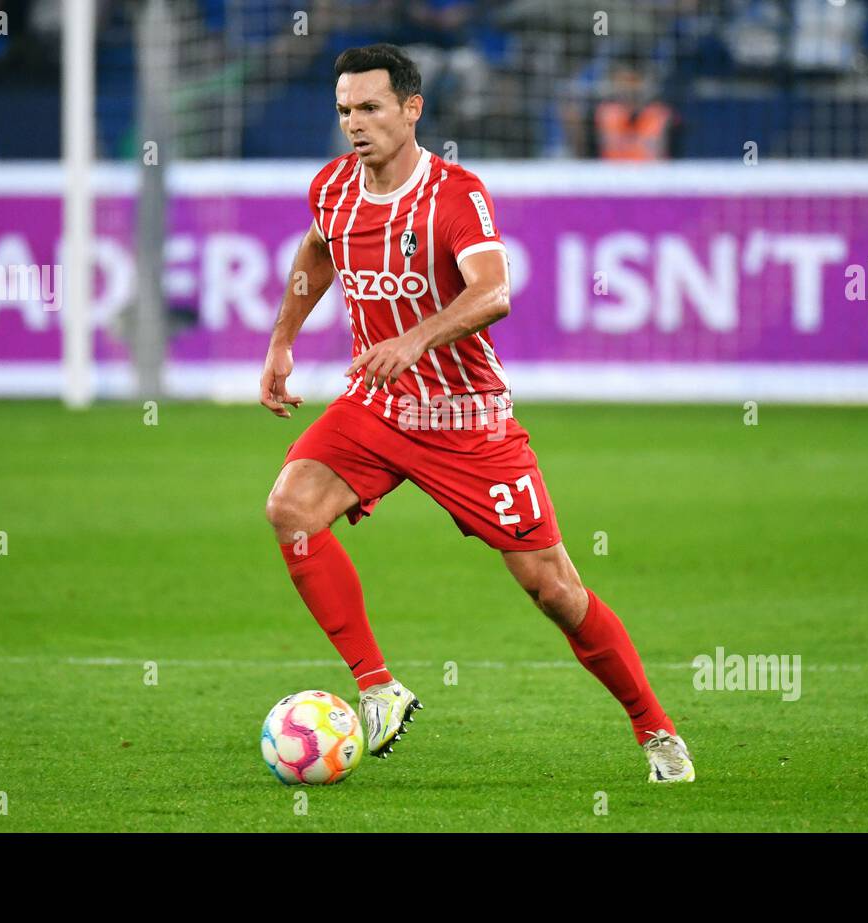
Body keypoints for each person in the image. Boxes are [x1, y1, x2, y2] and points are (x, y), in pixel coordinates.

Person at [259, 43, 694, 782]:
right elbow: (316, 252)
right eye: (344, 111)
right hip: (379, 403)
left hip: (466, 418)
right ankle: (377, 685)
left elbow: (493, 292)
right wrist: (281, 343)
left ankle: (656, 730)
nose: (354, 124)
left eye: (369, 108)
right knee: (291, 508)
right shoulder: (332, 187)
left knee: (553, 589)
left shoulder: (455, 194)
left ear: (410, 108)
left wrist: (415, 339)